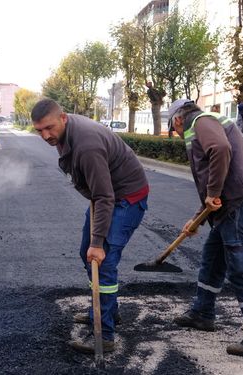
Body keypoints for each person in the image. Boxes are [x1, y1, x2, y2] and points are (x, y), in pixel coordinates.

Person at [31, 98, 149, 354]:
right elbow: (99, 192)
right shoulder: (64, 133)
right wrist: (92, 244)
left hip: (125, 199)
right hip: (106, 196)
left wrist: (98, 243)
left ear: (63, 117)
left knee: (101, 260)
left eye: (49, 128)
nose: (45, 135)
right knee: (87, 253)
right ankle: (107, 311)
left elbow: (105, 196)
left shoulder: (87, 145)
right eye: (39, 130)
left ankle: (104, 335)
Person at [168, 99, 243, 357]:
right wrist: (197, 218)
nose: (177, 133)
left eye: (174, 129)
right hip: (234, 202)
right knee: (213, 257)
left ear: (177, 120)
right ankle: (202, 313)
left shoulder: (200, 122)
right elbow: (211, 182)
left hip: (242, 200)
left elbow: (220, 149)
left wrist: (214, 193)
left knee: (240, 267)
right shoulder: (207, 121)